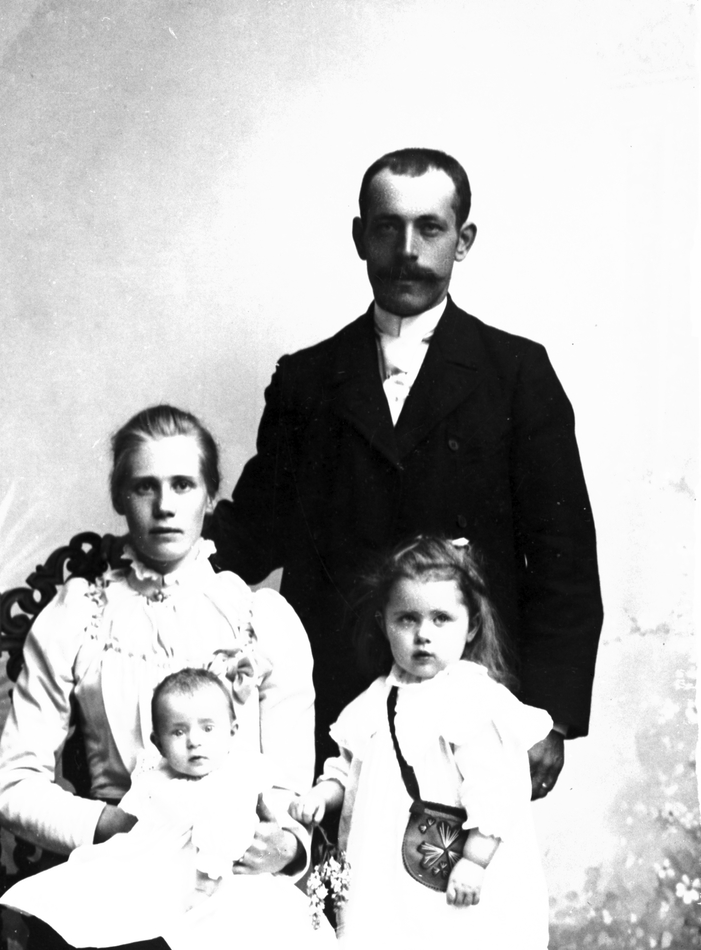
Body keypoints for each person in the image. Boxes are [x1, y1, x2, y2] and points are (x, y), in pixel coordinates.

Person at [0, 405, 351, 950]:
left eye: (183, 485)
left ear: (210, 495)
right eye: (144, 487)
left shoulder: (261, 619)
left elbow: (290, 791)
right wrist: (115, 825)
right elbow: (13, 783)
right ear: (120, 497)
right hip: (113, 886)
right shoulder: (77, 617)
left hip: (234, 886)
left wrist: (285, 846)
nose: (164, 505)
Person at [210, 146, 603, 797]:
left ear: (463, 240)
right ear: (360, 237)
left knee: (462, 859)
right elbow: (256, 530)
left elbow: (563, 558)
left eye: (430, 228)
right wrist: (145, 565)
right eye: (388, 227)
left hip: (469, 693)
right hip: (329, 698)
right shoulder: (308, 380)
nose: (407, 251)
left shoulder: (516, 375)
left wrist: (550, 718)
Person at [289, 535, 561, 950]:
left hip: (450, 874)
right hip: (394, 880)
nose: (423, 635)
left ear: (471, 627)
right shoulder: (379, 697)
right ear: (383, 623)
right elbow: (349, 763)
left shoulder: (471, 699)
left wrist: (476, 858)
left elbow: (497, 788)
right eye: (406, 619)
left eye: (441, 619)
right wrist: (324, 793)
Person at [0, 667, 341, 950]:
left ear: (232, 731)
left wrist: (285, 844)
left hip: (231, 880)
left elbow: (284, 810)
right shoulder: (155, 778)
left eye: (208, 729)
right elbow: (21, 789)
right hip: (150, 868)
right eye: (178, 732)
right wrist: (126, 829)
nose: (194, 741)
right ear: (158, 742)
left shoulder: (242, 773)